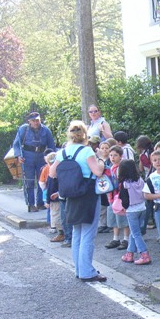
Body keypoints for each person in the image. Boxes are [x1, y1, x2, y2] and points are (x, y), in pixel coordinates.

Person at [49, 120, 106, 282]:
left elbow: (52, 174)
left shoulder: (63, 152)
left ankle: (79, 269)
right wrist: (101, 159)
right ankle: (87, 271)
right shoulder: (87, 151)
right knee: (88, 233)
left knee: (77, 232)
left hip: (70, 194)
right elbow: (98, 171)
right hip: (87, 194)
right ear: (85, 135)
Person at [12, 111, 56, 212]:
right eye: (33, 121)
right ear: (29, 121)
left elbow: (51, 146)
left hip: (41, 157)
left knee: (42, 180)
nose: (36, 122)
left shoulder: (46, 130)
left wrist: (51, 159)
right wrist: (18, 155)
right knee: (29, 181)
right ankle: (30, 204)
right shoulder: (24, 129)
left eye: (37, 120)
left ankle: (40, 203)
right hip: (27, 157)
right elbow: (16, 144)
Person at [117, 159, 151, 265]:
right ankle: (129, 254)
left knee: (136, 233)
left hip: (131, 210)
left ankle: (144, 254)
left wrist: (124, 206)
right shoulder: (140, 180)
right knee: (134, 232)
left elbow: (124, 200)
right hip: (142, 208)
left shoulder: (124, 183)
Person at [105, 146, 130, 251]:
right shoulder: (110, 168)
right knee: (114, 218)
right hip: (111, 196)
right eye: (111, 155)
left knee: (123, 218)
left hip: (119, 196)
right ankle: (115, 238)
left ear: (120, 156)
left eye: (115, 155)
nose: (112, 157)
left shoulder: (122, 167)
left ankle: (126, 239)